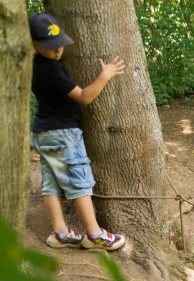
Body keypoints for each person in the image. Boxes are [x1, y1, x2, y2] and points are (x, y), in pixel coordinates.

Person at [29, 12, 126, 251]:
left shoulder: (32, 64)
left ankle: (61, 233)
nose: (57, 51)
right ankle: (94, 234)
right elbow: (85, 96)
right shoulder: (51, 70)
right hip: (63, 134)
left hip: (42, 133)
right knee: (78, 182)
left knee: (51, 183)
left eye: (59, 44)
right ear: (32, 43)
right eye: (50, 47)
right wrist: (106, 75)